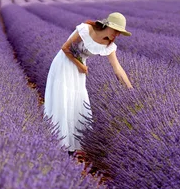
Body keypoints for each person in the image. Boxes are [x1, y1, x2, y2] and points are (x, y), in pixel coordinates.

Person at [44, 12, 133, 155]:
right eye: (116, 31)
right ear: (107, 26)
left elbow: (118, 69)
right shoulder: (86, 29)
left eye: (119, 33)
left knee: (77, 103)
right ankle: (57, 144)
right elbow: (66, 48)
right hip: (64, 65)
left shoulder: (109, 45)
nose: (117, 35)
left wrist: (130, 89)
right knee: (63, 100)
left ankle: (71, 147)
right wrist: (81, 66)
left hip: (79, 71)